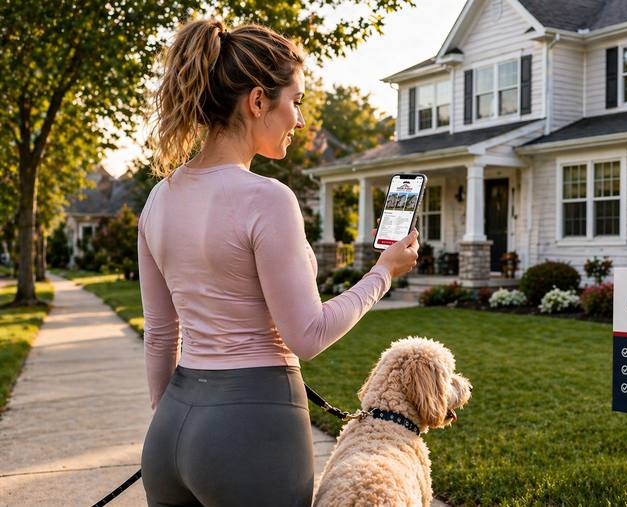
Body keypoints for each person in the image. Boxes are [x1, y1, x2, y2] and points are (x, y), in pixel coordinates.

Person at [138, 18, 418, 506]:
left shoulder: (158, 200)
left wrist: (172, 424)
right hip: (252, 431)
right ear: (257, 100)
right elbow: (307, 336)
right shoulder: (268, 199)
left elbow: (161, 334)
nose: (300, 120)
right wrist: (383, 274)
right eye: (296, 101)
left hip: (170, 433)